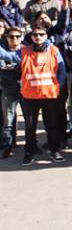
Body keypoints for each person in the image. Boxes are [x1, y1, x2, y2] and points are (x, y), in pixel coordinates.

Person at [0, 25, 68, 166]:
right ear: (31, 37)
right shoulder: (23, 52)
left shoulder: (54, 51)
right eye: (35, 34)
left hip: (49, 96)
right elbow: (5, 55)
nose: (38, 37)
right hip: (30, 97)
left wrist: (58, 86)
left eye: (41, 34)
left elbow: (62, 69)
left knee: (52, 125)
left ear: (46, 36)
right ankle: (29, 152)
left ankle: (54, 150)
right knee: (30, 127)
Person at [0, 28, 23, 158]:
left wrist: (9, 67)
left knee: (30, 119)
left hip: (26, 89)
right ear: (7, 38)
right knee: (8, 120)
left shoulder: (25, 50)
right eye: (11, 37)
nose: (14, 39)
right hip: (8, 89)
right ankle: (8, 145)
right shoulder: (3, 50)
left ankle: (32, 145)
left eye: (17, 36)